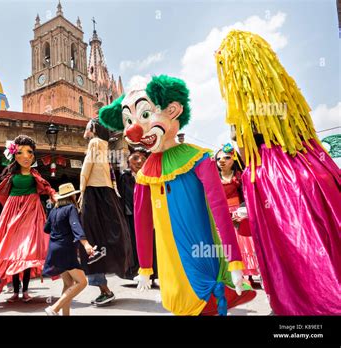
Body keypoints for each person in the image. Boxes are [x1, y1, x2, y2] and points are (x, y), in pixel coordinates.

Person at [99, 75, 256, 316]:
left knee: (205, 304)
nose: (132, 130)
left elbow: (219, 208)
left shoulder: (198, 158)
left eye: (144, 115)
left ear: (173, 110)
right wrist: (145, 267)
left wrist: (234, 260)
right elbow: (142, 222)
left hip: (203, 256)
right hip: (169, 263)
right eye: (128, 121)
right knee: (179, 305)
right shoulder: (145, 173)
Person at [216, 30, 341, 315]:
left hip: (277, 180)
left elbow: (247, 150)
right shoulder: (287, 98)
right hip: (313, 168)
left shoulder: (244, 113)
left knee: (297, 258)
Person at [0, 135, 58, 303]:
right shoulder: (12, 175)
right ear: (15, 155)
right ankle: (16, 292)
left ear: (33, 156)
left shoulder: (34, 174)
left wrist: (55, 195)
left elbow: (46, 187)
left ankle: (25, 291)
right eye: (21, 152)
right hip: (12, 213)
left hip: (31, 212)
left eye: (29, 152)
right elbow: (0, 187)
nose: (26, 156)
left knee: (27, 252)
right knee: (13, 252)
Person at [78, 118, 132, 307]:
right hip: (106, 193)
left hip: (94, 193)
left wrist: (82, 191)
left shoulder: (94, 143)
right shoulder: (106, 145)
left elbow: (86, 169)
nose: (85, 130)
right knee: (103, 237)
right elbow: (107, 171)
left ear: (93, 128)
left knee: (91, 237)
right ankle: (104, 286)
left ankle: (104, 289)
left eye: (87, 127)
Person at [42, 183, 95, 315]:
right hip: (66, 250)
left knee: (68, 284)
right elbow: (75, 226)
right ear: (72, 196)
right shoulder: (70, 208)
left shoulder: (54, 210)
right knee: (82, 282)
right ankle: (54, 308)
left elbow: (46, 229)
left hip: (54, 249)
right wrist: (86, 244)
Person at [215, 144, 259, 284]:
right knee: (227, 244)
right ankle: (231, 274)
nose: (222, 161)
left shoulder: (240, 176)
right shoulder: (214, 179)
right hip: (223, 215)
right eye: (218, 159)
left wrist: (243, 211)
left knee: (245, 244)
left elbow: (247, 195)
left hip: (240, 212)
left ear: (234, 160)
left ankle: (249, 275)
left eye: (227, 157)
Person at [117, 147, 158, 282]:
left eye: (143, 159)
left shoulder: (151, 176)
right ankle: (134, 272)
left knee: (151, 243)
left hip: (149, 215)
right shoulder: (125, 176)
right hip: (131, 216)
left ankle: (152, 273)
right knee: (134, 244)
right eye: (135, 158)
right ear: (129, 160)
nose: (139, 162)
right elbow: (124, 197)